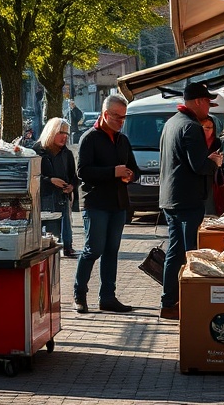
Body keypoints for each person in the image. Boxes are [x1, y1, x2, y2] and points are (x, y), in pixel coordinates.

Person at [158, 81, 224, 320]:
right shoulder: (191, 126)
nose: (209, 106)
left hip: (170, 198)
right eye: (207, 101)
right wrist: (214, 162)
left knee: (175, 252)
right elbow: (198, 165)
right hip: (187, 199)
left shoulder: (171, 123)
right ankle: (189, 303)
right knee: (190, 253)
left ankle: (168, 302)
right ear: (198, 101)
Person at [74, 93, 140, 313]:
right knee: (93, 249)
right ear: (105, 114)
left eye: (124, 118)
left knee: (112, 251)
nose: (121, 122)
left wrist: (129, 176)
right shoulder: (90, 138)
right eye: (117, 117)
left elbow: (134, 169)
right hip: (96, 203)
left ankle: (108, 297)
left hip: (118, 203)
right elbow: (83, 172)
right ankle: (79, 294)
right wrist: (113, 172)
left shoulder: (123, 140)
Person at [36, 117, 80, 258]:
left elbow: (74, 175)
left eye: (67, 134)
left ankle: (67, 247)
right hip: (45, 196)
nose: (64, 137)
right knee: (49, 227)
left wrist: (71, 186)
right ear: (51, 131)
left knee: (65, 223)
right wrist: (50, 180)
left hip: (63, 196)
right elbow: (32, 177)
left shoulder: (67, 153)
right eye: (61, 132)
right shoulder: (37, 151)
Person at [201, 116, 224, 216]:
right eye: (204, 127)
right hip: (201, 184)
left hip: (214, 183)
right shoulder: (196, 143)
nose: (206, 130)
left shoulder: (218, 143)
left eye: (210, 127)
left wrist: (218, 162)